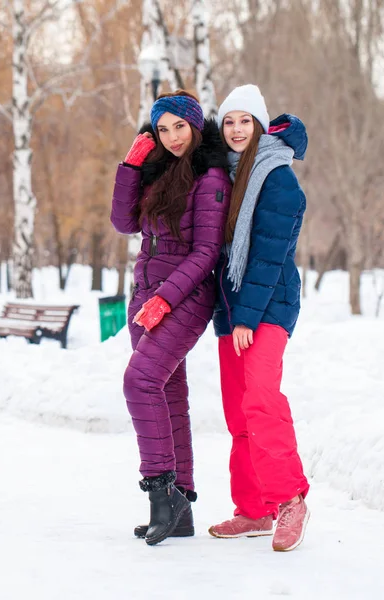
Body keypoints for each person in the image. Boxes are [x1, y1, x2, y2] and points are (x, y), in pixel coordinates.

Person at [111, 90, 231, 546]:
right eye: (162, 129)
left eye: (179, 127)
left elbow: (205, 253)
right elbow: (124, 223)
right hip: (144, 297)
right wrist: (130, 167)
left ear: (195, 127)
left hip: (184, 297)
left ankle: (163, 495)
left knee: (139, 382)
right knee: (168, 392)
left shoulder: (210, 177)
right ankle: (180, 510)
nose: (172, 137)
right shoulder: (158, 172)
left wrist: (166, 298)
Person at [208, 84, 310, 552]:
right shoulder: (225, 175)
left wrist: (247, 316)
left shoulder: (276, 175)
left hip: (268, 307)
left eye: (245, 120)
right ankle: (253, 510)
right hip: (233, 310)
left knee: (261, 400)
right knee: (237, 410)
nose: (236, 129)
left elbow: (270, 254)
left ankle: (290, 500)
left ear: (260, 124)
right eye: (229, 121)